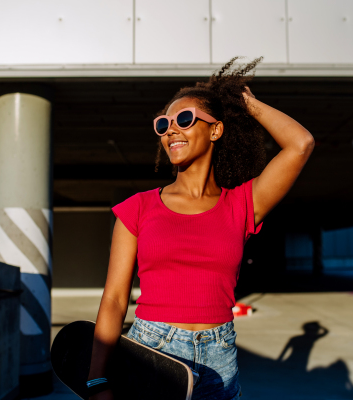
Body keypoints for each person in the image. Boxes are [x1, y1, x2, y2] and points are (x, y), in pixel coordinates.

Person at [86, 57, 314, 400]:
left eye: (185, 119)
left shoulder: (241, 204)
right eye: (163, 124)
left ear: (216, 129)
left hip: (219, 358)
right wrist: (96, 381)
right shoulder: (138, 207)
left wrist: (243, 101)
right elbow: (116, 300)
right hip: (152, 350)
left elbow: (300, 144)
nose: (171, 129)